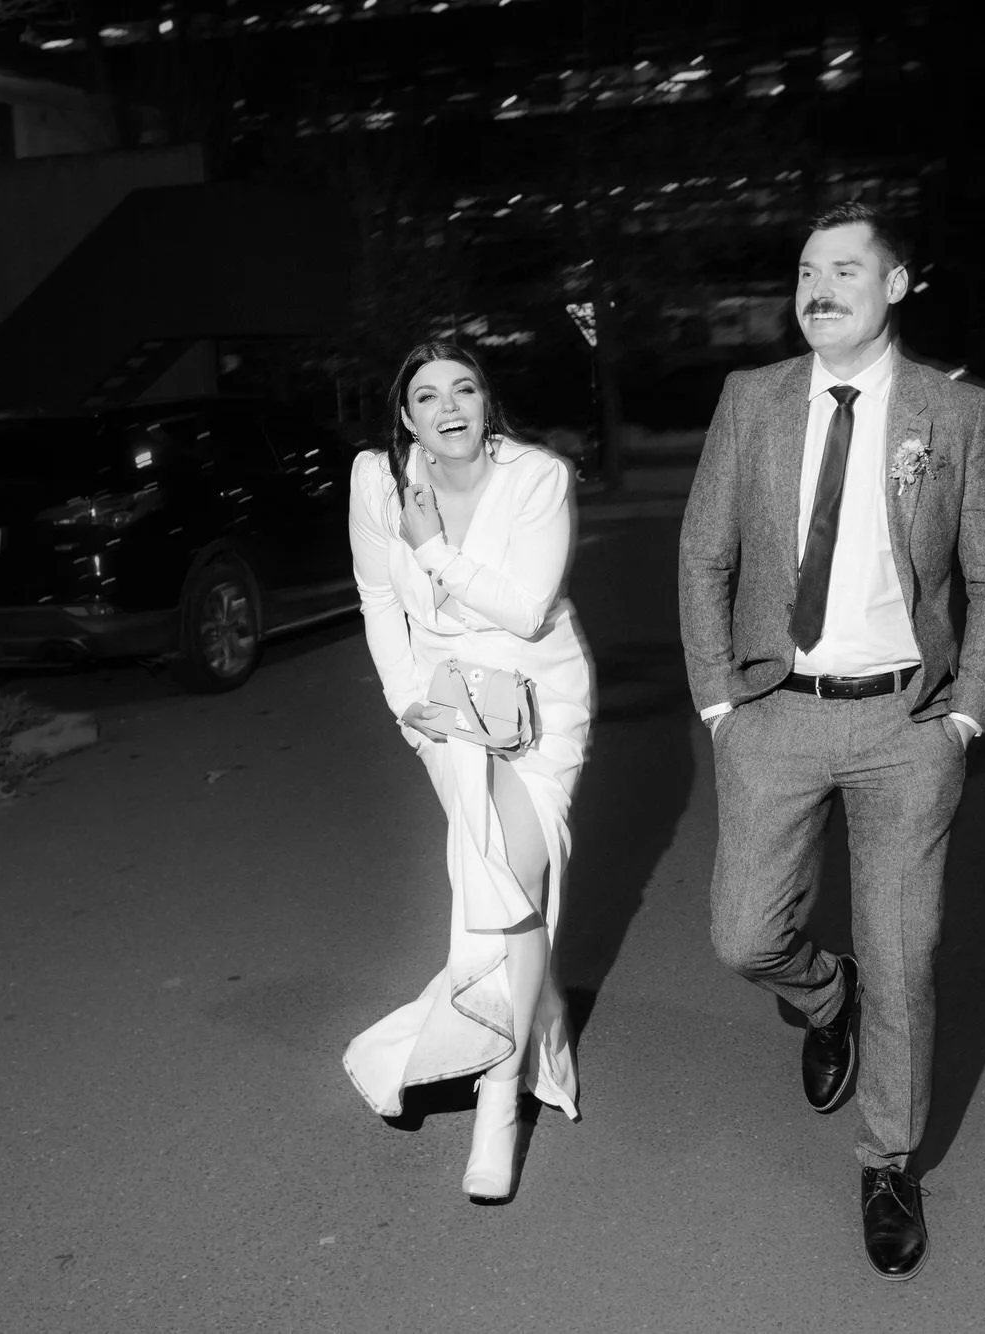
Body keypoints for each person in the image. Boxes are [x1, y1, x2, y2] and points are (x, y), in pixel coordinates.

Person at [678, 201, 985, 1279]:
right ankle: (828, 997)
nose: (816, 287)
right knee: (742, 935)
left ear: (895, 284)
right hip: (774, 709)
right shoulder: (751, 400)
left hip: (904, 722)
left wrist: (965, 708)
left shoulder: (952, 412)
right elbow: (702, 557)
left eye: (841, 269)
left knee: (906, 953)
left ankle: (886, 1160)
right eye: (804, 269)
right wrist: (718, 707)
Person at [342, 340, 594, 1204]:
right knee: (497, 875)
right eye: (426, 396)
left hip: (538, 695)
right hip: (446, 702)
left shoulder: (538, 478)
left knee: (510, 864)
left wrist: (435, 547)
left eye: (465, 390)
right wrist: (403, 698)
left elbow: (526, 607)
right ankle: (537, 1014)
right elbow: (377, 598)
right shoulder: (376, 479)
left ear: (488, 402)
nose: (448, 408)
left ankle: (498, 1093)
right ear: (404, 414)